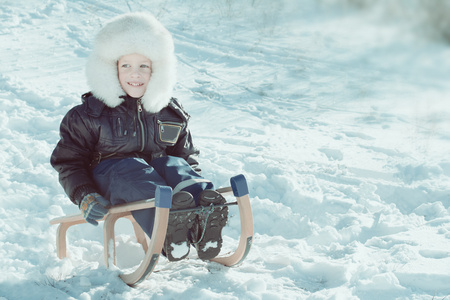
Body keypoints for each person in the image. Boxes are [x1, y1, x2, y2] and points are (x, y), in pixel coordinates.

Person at [50, 12, 228, 262]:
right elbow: (68, 162)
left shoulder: (169, 112)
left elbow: (185, 156)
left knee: (173, 164)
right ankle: (168, 230)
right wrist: (85, 194)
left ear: (157, 70)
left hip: (159, 177)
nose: (136, 74)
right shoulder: (89, 114)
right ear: (111, 69)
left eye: (144, 66)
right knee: (131, 168)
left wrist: (190, 176)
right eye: (126, 66)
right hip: (110, 179)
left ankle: (203, 215)